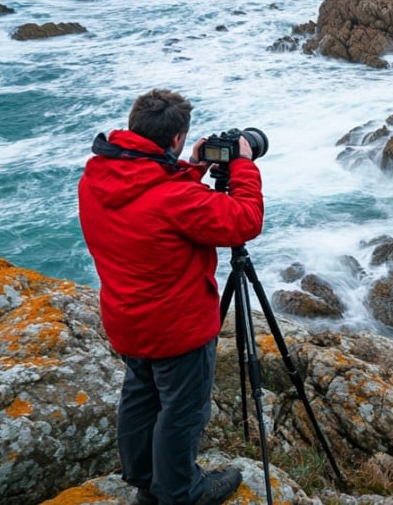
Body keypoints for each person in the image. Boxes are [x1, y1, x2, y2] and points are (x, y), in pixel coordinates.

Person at [78, 89, 263, 505]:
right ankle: (181, 491)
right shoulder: (175, 199)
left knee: (141, 397)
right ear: (177, 138)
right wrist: (245, 166)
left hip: (127, 318)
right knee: (182, 412)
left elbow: (152, 197)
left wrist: (191, 170)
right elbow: (244, 221)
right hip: (177, 327)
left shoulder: (98, 175)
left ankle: (146, 481)